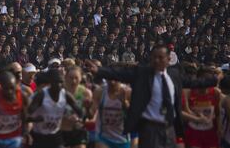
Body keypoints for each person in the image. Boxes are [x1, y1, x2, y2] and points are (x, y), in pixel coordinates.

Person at [85, 45, 218, 148]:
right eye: (154, 57)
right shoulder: (143, 74)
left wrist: (215, 80)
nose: (156, 60)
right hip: (150, 128)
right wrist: (100, 71)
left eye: (160, 57)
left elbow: (193, 82)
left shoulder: (174, 75)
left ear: (168, 59)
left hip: (170, 127)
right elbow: (121, 73)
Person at [28, 69, 83, 148]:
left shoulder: (66, 95)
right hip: (39, 136)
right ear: (50, 82)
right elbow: (26, 116)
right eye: (56, 82)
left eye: (61, 82)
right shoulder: (41, 95)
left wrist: (79, 119)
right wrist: (34, 119)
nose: (59, 85)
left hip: (55, 135)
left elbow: (80, 112)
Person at [183, 67, 221, 148]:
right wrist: (196, 116)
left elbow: (218, 113)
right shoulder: (188, 92)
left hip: (210, 132)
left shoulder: (216, 92)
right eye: (204, 79)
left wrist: (219, 128)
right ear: (198, 79)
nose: (205, 83)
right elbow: (184, 112)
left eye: (208, 80)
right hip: (193, 131)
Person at [93, 79, 131, 148]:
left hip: (122, 138)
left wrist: (124, 103)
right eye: (109, 79)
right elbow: (91, 113)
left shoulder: (127, 92)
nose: (112, 82)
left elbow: (133, 116)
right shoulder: (100, 91)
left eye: (115, 79)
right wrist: (88, 107)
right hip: (103, 137)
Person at [61, 66, 92, 148]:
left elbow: (91, 116)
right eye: (71, 78)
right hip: (61, 131)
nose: (73, 81)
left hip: (79, 131)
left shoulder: (86, 93)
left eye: (76, 78)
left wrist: (88, 108)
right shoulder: (59, 92)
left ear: (81, 78)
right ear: (65, 77)